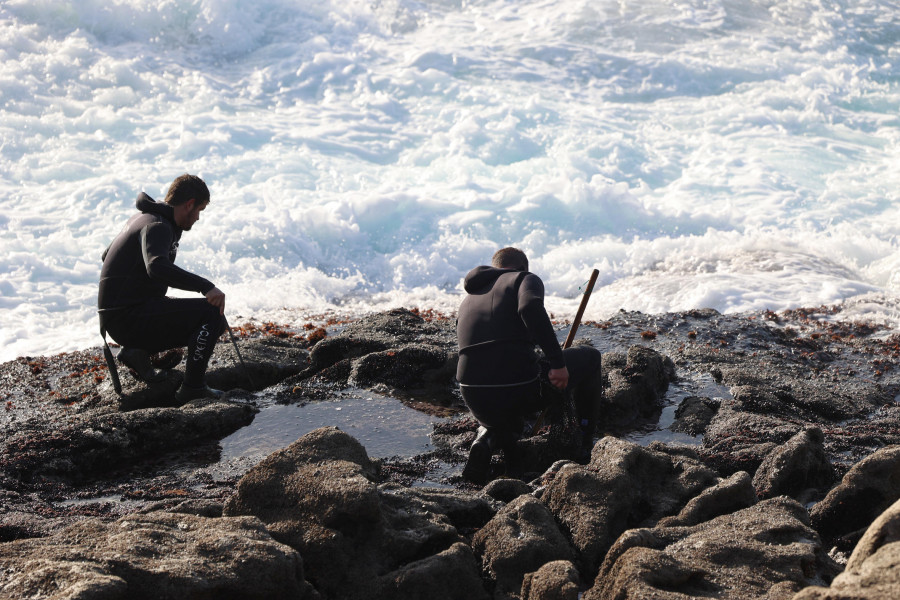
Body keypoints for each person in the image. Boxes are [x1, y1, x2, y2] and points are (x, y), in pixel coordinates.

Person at [456, 247, 602, 483]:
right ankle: (586, 442)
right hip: (516, 387)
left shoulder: (469, 297)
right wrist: (557, 362)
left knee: (507, 420)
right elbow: (530, 307)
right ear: (523, 267)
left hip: (473, 395)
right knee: (591, 357)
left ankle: (485, 440)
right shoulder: (524, 279)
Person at [98, 174, 227, 401]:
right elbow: (156, 267)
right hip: (128, 319)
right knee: (212, 315)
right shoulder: (158, 226)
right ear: (189, 204)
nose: (198, 218)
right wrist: (206, 287)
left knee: (201, 314)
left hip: (118, 318)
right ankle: (193, 388)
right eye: (200, 210)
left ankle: (138, 351)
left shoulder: (143, 218)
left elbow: (106, 255)